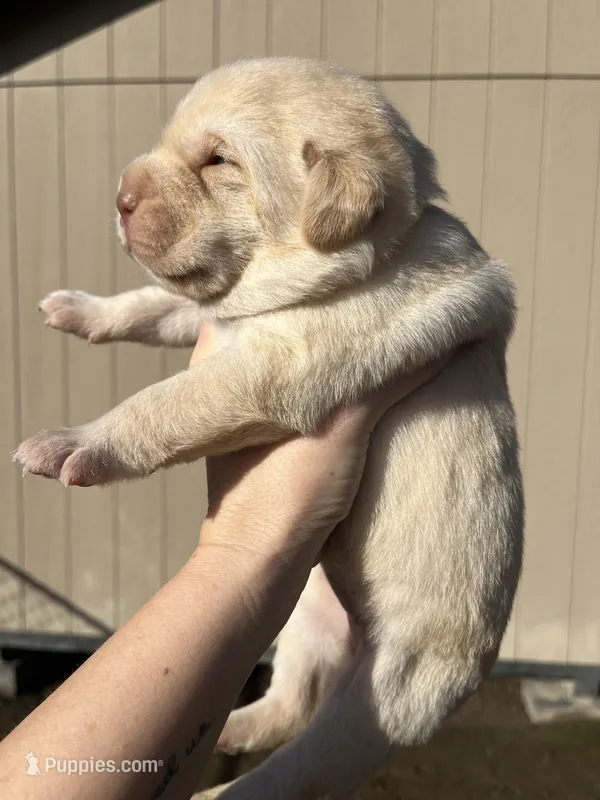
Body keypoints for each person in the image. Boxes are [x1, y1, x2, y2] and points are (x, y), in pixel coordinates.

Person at [0, 324, 446, 799]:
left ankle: (278, 722)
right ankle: (278, 711)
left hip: (422, 603)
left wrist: (118, 439)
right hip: (345, 569)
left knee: (309, 763)